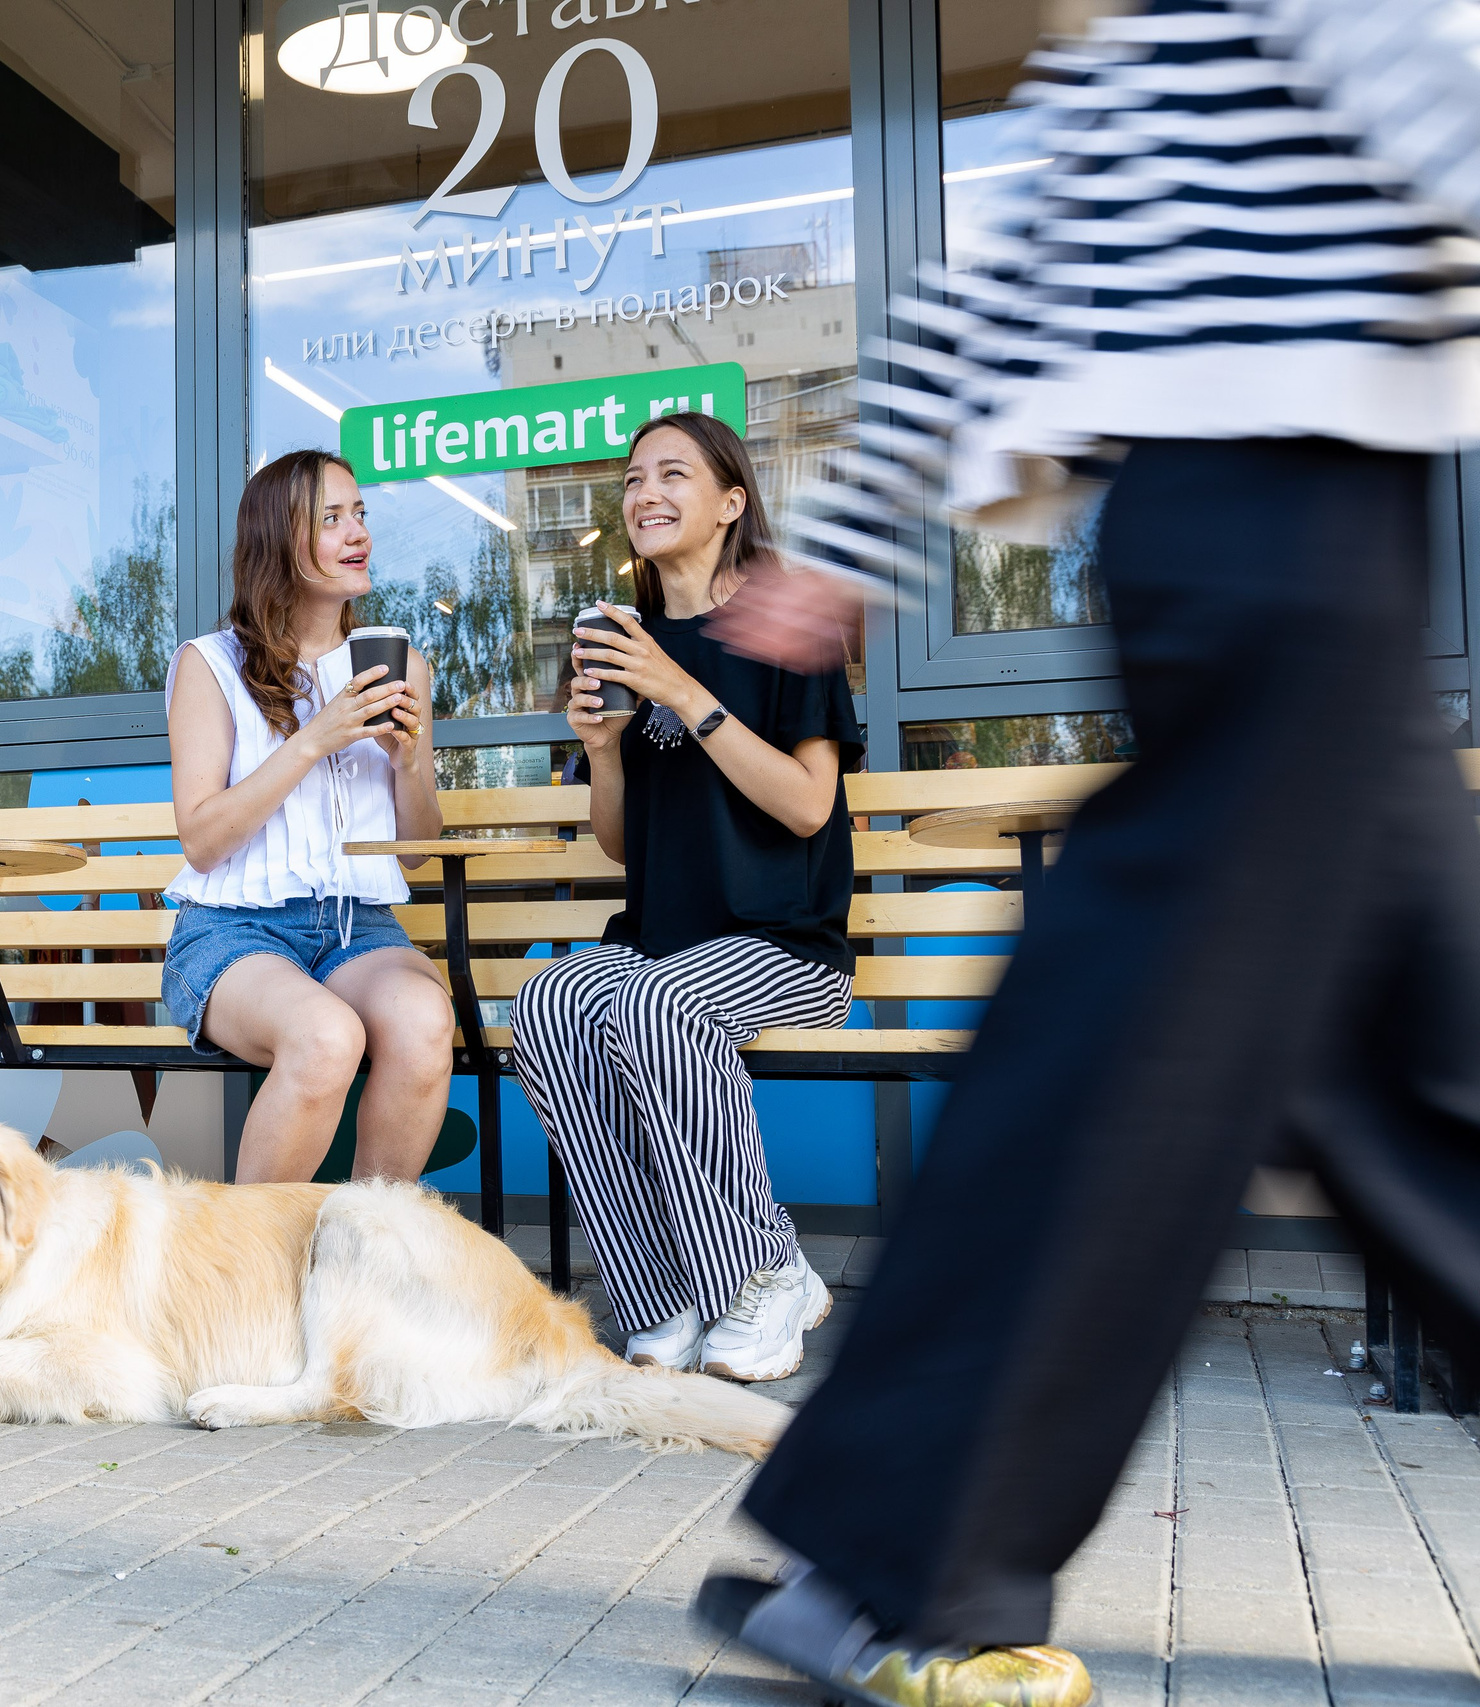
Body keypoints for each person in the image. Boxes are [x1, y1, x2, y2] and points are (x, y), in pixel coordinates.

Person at [691, 4, 1480, 1704]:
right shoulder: (1134, 44)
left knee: (1104, 1066)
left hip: (1282, 528)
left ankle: (902, 1557)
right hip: (1272, 539)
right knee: (1408, 1073)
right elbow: (1014, 286)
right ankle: (900, 1549)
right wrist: (841, 539)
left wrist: (845, 537)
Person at [508, 412, 862, 1385]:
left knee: (658, 1003)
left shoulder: (791, 629)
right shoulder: (630, 643)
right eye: (632, 480)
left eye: (672, 474)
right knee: (544, 1004)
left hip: (784, 945)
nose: (645, 494)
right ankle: (661, 1292)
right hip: (662, 940)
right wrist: (601, 750)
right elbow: (623, 843)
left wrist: (683, 692)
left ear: (731, 502)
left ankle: (761, 1269)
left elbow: (804, 808)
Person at [162, 448, 453, 1183]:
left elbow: (417, 852)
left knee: (422, 1025)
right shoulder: (211, 664)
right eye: (332, 518)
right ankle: (245, 1282)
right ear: (279, 541)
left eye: (360, 514)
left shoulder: (397, 662)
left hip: (360, 927)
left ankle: (360, 1259)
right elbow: (201, 840)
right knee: (326, 1037)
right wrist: (314, 738)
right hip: (233, 931)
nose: (358, 532)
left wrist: (409, 759)